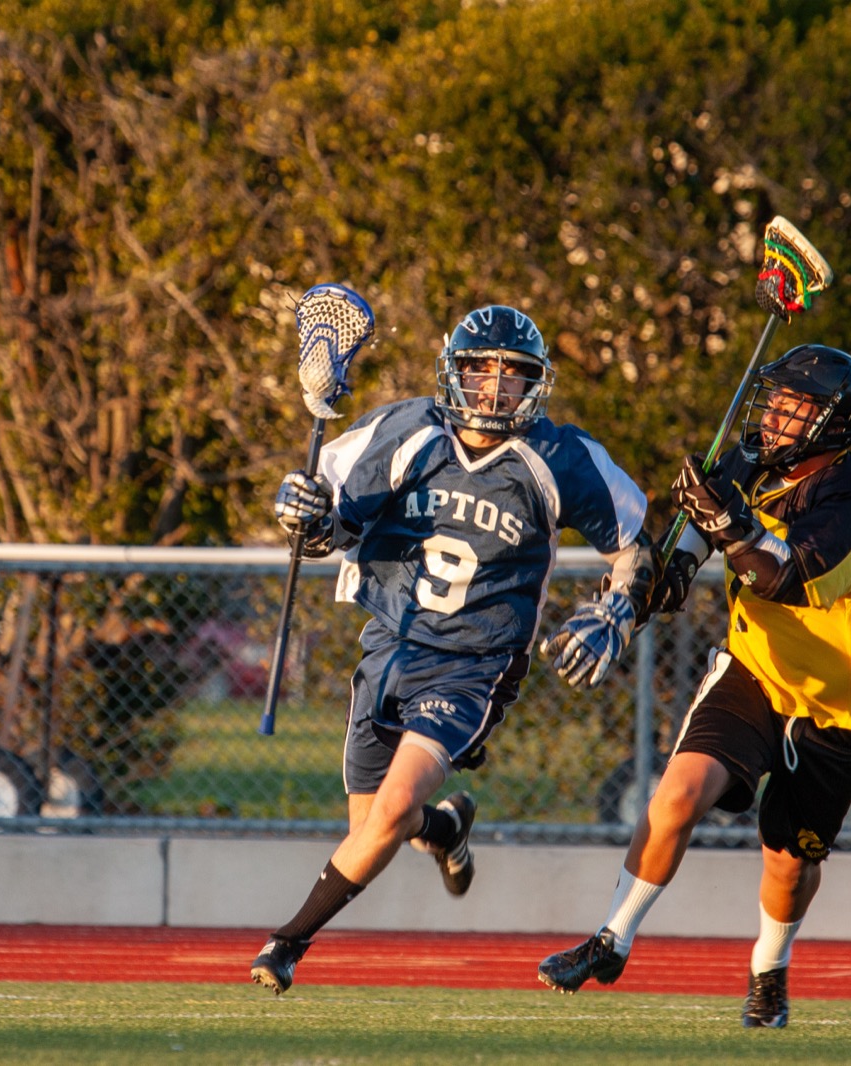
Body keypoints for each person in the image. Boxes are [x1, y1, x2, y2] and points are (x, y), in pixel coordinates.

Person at [250, 304, 657, 994]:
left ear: (536, 383)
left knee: (385, 813)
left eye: (512, 375)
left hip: (476, 662)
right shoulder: (405, 430)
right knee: (383, 825)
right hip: (388, 645)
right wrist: (305, 515)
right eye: (480, 370)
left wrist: (617, 608)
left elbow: (636, 545)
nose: (495, 389)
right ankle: (445, 830)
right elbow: (333, 519)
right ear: (454, 372)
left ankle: (285, 944)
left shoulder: (558, 457)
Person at [535, 344, 851, 1029]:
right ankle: (612, 938)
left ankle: (770, 970)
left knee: (787, 862)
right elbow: (685, 560)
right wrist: (632, 601)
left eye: (796, 407)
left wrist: (730, 522)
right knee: (676, 795)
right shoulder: (750, 461)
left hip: (835, 701)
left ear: (833, 424)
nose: (776, 415)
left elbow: (785, 577)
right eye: (779, 401)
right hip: (753, 670)